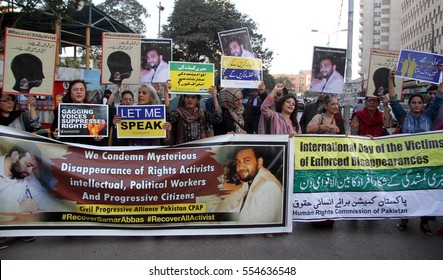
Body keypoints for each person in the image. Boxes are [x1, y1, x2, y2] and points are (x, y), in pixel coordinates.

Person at [388, 68, 443, 236]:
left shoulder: (429, 115)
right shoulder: (403, 116)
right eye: (414, 103)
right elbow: (393, 99)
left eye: (419, 103)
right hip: (406, 163)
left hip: (426, 163)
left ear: (423, 104)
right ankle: (404, 218)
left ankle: (424, 222)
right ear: (410, 105)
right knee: (407, 191)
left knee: (425, 191)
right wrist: (390, 78)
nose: (417, 105)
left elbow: (440, 95)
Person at [0, 143, 71, 249]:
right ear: (14, 156)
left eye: (32, 168)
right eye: (28, 165)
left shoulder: (24, 174)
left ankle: (17, 229)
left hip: (14, 219)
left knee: (31, 202)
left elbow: (39, 196)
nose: (29, 171)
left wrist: (65, 213)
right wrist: (17, 208)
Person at [215, 147, 283, 223]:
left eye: (246, 161)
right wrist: (216, 217)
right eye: (238, 162)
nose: (240, 167)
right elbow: (231, 200)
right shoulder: (251, 179)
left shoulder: (269, 187)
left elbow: (249, 225)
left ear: (259, 162)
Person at [51, 80, 106, 146]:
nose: (79, 92)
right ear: (70, 92)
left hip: (87, 149)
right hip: (67, 148)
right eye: (75, 90)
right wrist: (56, 135)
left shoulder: (94, 110)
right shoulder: (61, 110)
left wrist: (98, 139)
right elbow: (53, 132)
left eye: (81, 89)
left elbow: (100, 134)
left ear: (85, 92)